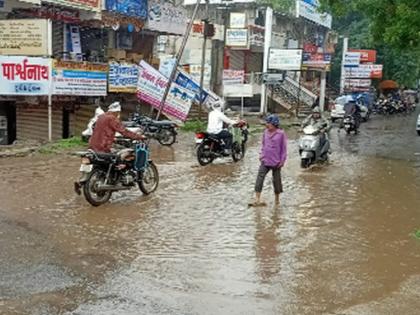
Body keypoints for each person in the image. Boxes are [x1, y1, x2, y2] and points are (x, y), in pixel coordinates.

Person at [249, 115, 287, 207]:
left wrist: (282, 161)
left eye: (268, 123)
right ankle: (257, 199)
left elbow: (284, 149)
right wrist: (261, 155)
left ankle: (277, 200)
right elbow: (263, 144)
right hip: (265, 160)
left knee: (276, 181)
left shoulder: (281, 134)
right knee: (260, 178)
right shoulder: (265, 132)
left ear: (274, 124)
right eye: (266, 123)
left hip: (276, 161)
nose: (267, 125)